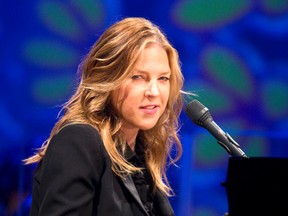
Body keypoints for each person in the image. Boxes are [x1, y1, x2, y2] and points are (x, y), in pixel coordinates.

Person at [24, 17, 184, 216]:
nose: (154, 91)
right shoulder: (79, 140)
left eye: (163, 78)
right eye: (138, 77)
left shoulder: (141, 153)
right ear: (108, 78)